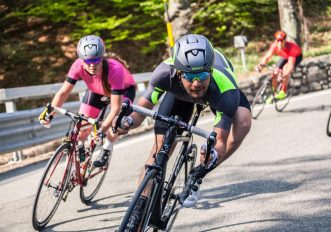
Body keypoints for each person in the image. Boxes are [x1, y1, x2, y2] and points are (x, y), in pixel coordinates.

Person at [117, 34, 252, 222]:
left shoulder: (225, 90)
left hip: (216, 94)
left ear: (210, 70)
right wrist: (127, 122)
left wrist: (212, 153)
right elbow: (140, 112)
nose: (197, 83)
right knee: (158, 152)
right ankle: (138, 209)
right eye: (190, 76)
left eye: (203, 74)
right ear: (179, 73)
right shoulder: (164, 74)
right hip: (179, 95)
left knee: (243, 121)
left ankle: (198, 174)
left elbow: (220, 140)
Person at [39, 35, 136, 167]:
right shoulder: (77, 66)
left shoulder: (115, 70)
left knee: (115, 123)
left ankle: (107, 148)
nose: (92, 65)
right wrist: (50, 114)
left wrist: (101, 130)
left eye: (96, 60)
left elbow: (115, 108)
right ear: (81, 59)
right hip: (97, 91)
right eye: (87, 61)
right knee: (82, 127)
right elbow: (63, 92)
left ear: (102, 57)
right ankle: (79, 158)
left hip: (123, 91)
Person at [256, 30, 302, 101]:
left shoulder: (292, 48)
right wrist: (261, 65)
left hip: (295, 56)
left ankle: (283, 91)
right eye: (278, 41)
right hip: (285, 56)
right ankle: (274, 93)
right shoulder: (274, 46)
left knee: (285, 70)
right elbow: (267, 57)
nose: (279, 43)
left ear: (285, 41)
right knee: (275, 72)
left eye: (281, 41)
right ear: (276, 41)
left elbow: (290, 65)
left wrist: (284, 75)